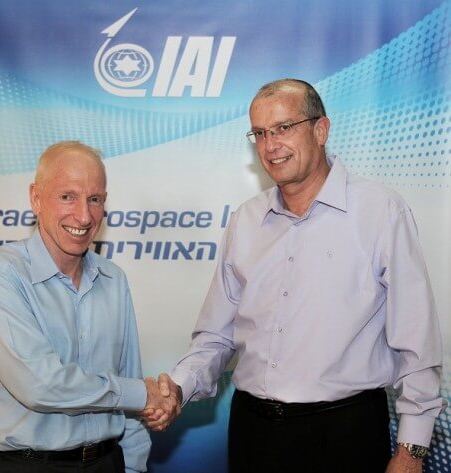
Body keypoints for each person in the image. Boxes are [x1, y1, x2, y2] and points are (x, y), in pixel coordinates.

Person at [147, 79, 445, 473]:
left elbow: (416, 340)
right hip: (254, 433)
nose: (271, 145)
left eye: (284, 128)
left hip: (346, 434)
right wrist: (179, 388)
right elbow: (216, 336)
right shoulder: (246, 221)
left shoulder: (381, 211)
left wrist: (412, 450)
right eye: (260, 133)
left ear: (320, 130)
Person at [0, 141, 180, 473]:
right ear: (36, 198)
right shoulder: (1, 274)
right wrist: (142, 394)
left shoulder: (113, 279)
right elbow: (40, 385)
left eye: (95, 199)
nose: (84, 215)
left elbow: (129, 380)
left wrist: (135, 465)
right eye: (67, 196)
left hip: (107, 463)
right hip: (26, 466)